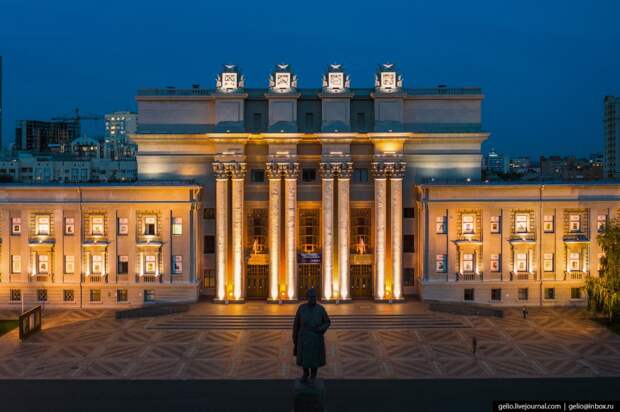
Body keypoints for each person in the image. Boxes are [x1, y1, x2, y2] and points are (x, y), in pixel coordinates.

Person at [293, 288, 331, 383]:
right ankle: (305, 374)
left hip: (315, 337)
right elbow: (296, 324)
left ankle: (313, 375)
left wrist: (321, 329)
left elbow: (327, 322)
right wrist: (295, 338)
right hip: (304, 338)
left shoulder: (320, 309)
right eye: (311, 297)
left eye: (314, 297)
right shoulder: (301, 308)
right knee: (304, 358)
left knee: (315, 358)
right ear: (307, 298)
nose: (313, 299)